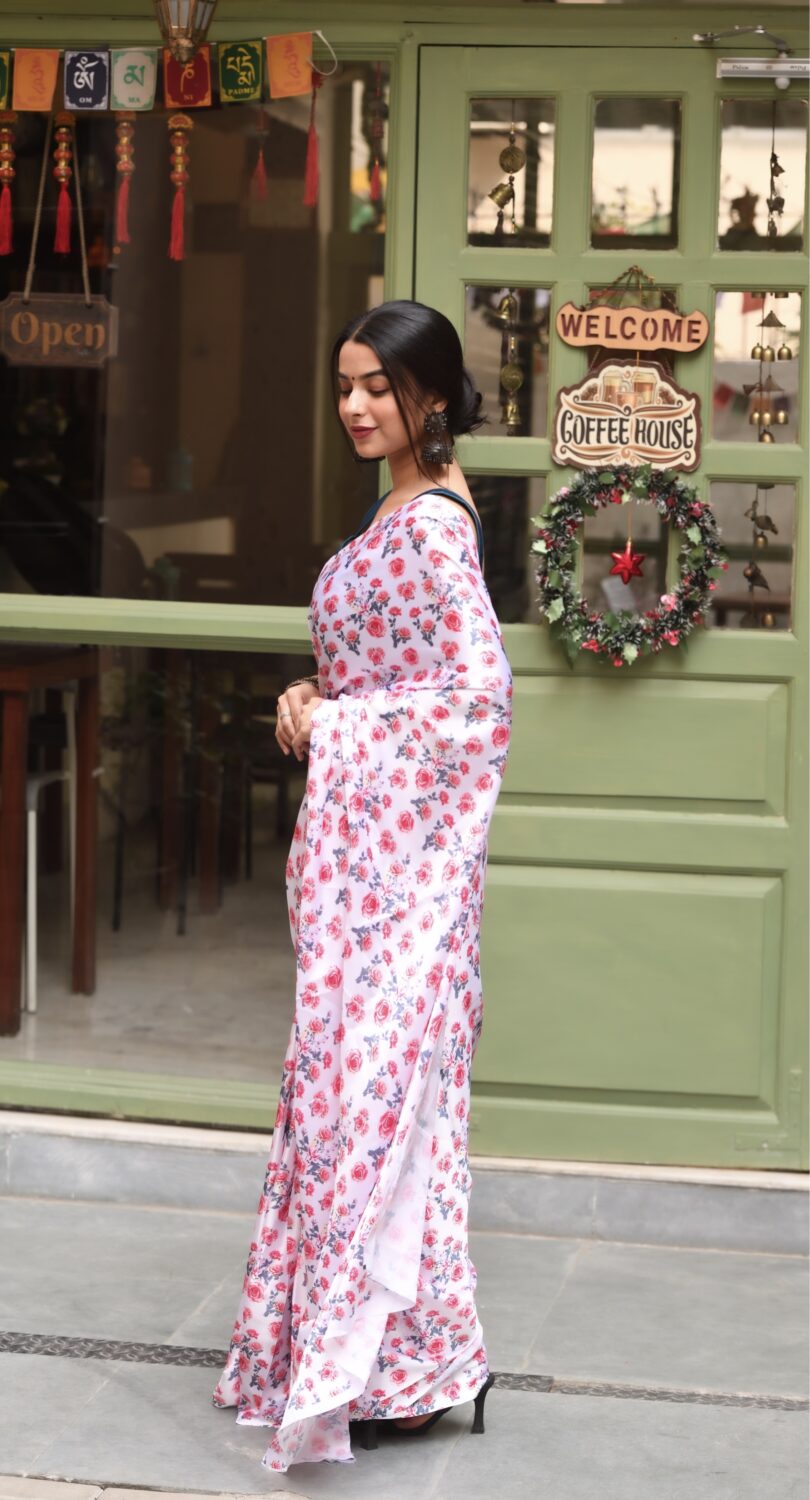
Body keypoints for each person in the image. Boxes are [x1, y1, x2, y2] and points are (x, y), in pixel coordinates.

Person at [212, 299, 512, 1472]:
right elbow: (375, 677)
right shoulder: (391, 509)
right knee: (348, 1108)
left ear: (429, 395)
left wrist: (342, 724)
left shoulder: (434, 525)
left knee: (383, 1111)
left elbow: (477, 706)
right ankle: (386, 1362)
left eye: (376, 387)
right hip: (358, 879)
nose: (354, 406)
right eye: (344, 385)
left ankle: (405, 1367)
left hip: (408, 889)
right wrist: (307, 701)